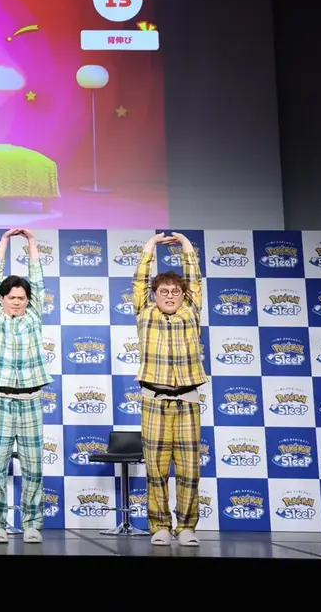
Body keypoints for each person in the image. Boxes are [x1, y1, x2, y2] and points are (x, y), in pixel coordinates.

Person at [132, 232, 207, 547]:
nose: (170, 296)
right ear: (155, 294)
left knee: (189, 470)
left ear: (183, 294)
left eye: (176, 291)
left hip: (188, 400)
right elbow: (139, 282)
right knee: (156, 469)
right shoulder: (145, 313)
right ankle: (160, 526)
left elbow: (195, 281)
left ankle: (187, 527)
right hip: (154, 400)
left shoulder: (191, 312)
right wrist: (149, 248)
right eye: (164, 291)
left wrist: (187, 247)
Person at [0, 228, 52, 544]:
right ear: (2, 299)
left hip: (31, 401)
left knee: (34, 468)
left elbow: (38, 280)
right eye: (12, 298)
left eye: (22, 298)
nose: (18, 302)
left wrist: (32, 243)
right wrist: (5, 242)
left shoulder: (34, 315)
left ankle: (32, 524)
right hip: (0, 400)